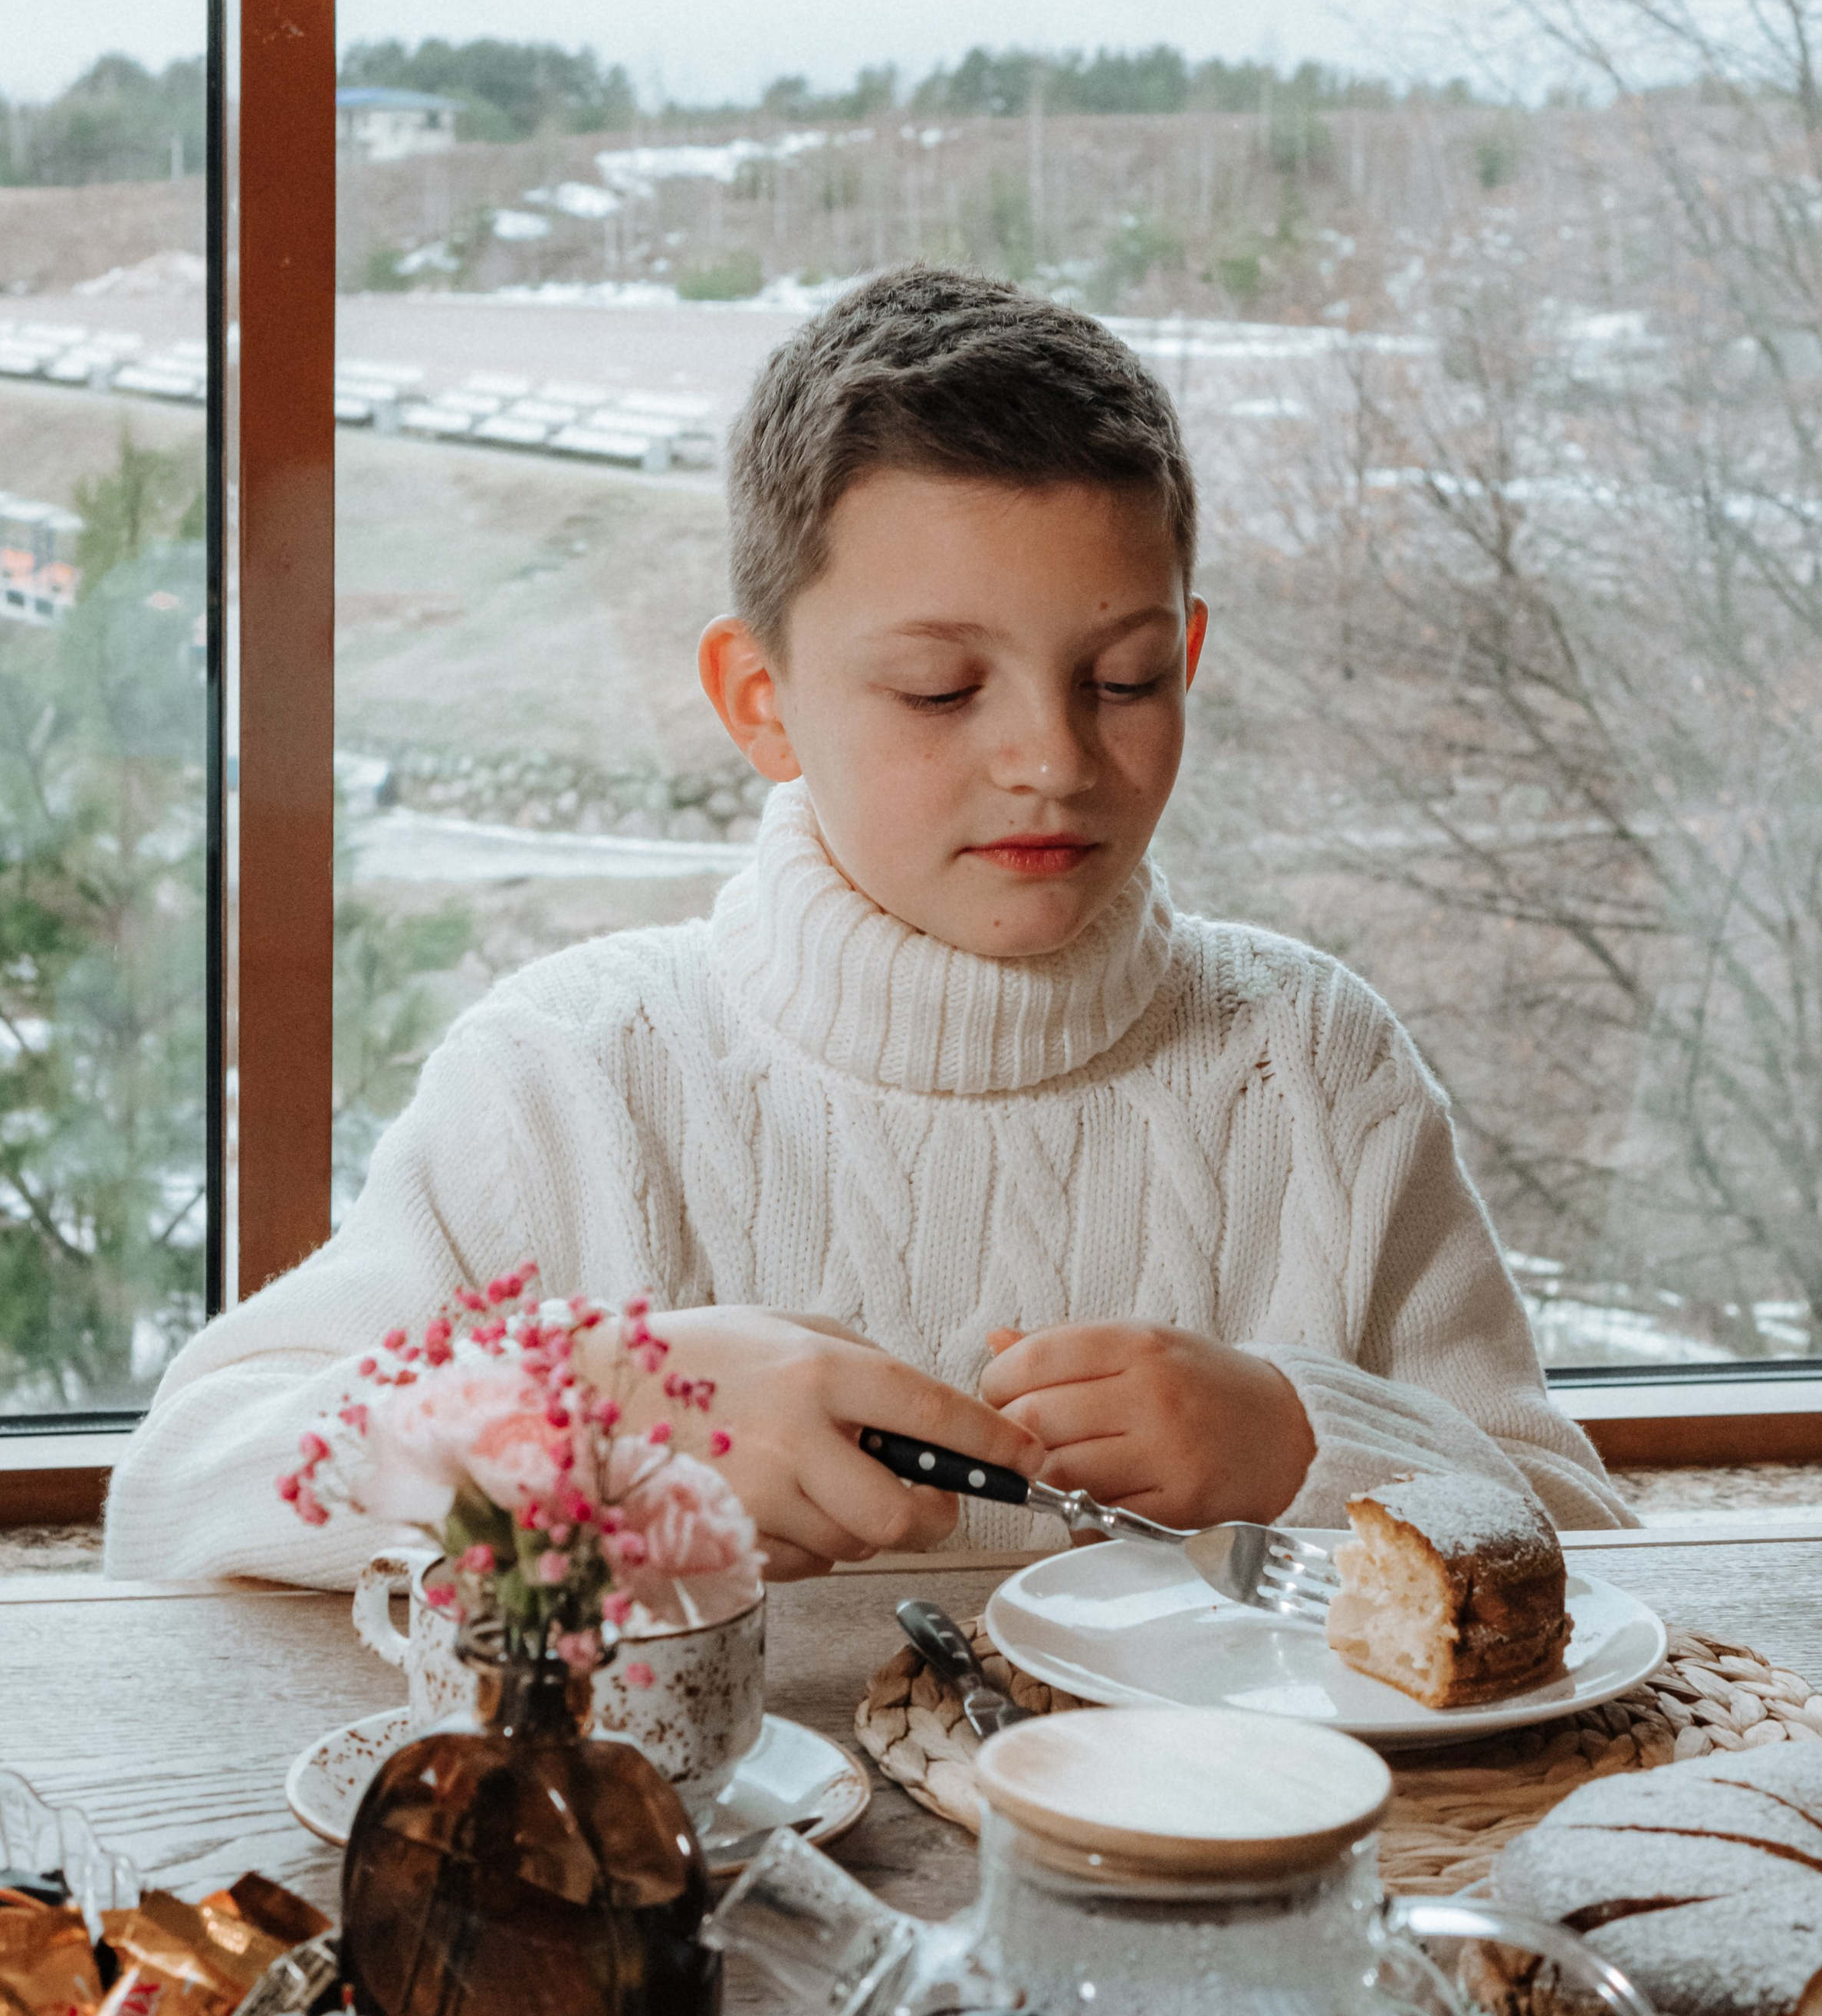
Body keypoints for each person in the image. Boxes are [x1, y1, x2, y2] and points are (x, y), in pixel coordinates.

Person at [104, 266, 1627, 1583]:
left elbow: (1584, 1538)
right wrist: (610, 1408)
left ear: (1190, 656)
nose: (1050, 754)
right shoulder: (571, 1079)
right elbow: (183, 1492)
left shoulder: (1311, 1069)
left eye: (1122, 678)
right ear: (757, 703)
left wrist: (1309, 1443)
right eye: (938, 689)